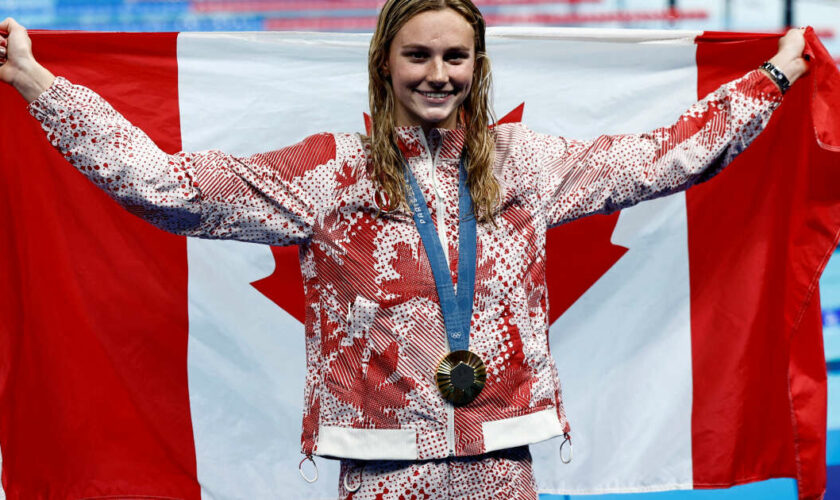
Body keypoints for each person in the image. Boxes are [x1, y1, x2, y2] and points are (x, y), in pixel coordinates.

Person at [0, 0, 809, 497]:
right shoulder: (330, 173)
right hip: (384, 467)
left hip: (503, 457)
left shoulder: (528, 165)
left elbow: (668, 154)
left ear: (478, 67)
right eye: (417, 54)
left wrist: (771, 77)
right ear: (384, 64)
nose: (437, 73)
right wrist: (40, 85)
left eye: (454, 56)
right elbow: (169, 189)